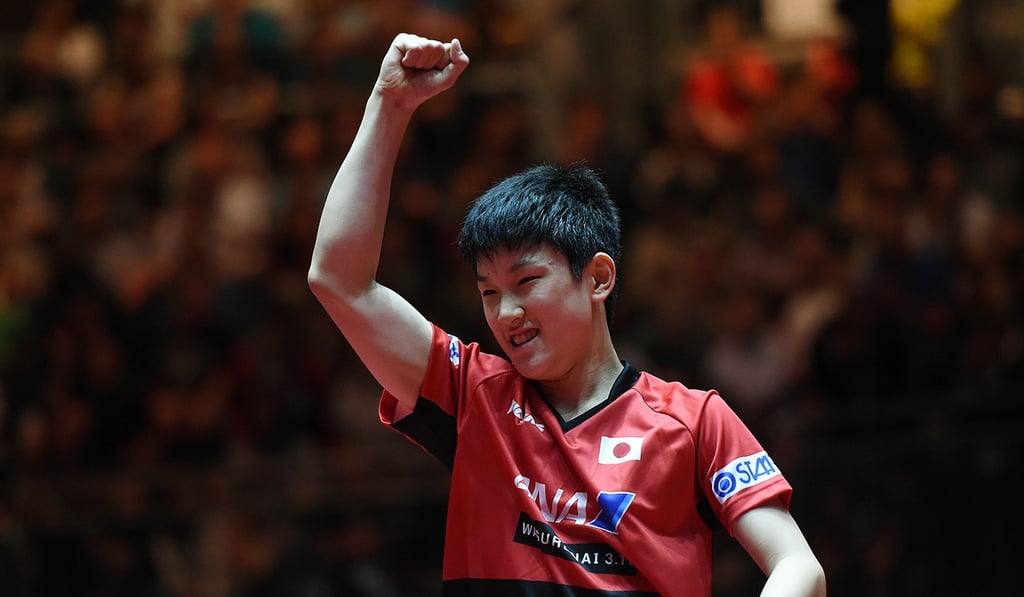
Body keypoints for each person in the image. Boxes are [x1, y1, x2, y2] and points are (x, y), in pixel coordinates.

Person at [308, 33, 826, 596]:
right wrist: (389, 103)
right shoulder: (473, 396)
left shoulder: (694, 423)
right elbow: (339, 281)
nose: (506, 313)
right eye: (488, 292)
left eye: (526, 282)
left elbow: (798, 568)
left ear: (598, 277)